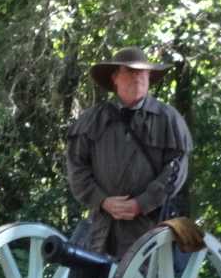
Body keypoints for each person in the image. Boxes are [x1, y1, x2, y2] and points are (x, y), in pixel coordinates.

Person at [66, 46, 192, 258]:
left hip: (150, 228)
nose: (137, 76)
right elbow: (77, 169)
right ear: (115, 78)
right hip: (101, 230)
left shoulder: (168, 119)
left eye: (142, 72)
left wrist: (142, 203)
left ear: (149, 77)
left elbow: (175, 169)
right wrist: (104, 201)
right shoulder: (91, 120)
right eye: (130, 71)